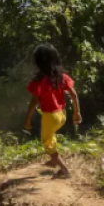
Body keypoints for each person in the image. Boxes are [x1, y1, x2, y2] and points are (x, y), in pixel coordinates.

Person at [23, 44, 80, 179]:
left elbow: (33, 102)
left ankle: (64, 168)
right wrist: (77, 112)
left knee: (47, 141)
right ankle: (54, 160)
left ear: (38, 62)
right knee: (51, 135)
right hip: (62, 115)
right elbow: (74, 94)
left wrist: (27, 119)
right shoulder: (62, 76)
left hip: (50, 116)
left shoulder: (39, 81)